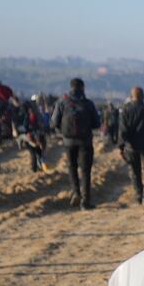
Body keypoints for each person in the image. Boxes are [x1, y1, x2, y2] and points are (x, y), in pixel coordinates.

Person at [51, 78, 101, 209]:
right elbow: (97, 123)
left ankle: (76, 192)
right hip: (85, 141)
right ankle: (85, 201)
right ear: (82, 88)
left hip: (68, 141)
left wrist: (62, 131)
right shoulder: (88, 104)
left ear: (71, 87)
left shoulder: (62, 102)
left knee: (72, 168)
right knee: (85, 171)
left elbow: (54, 122)